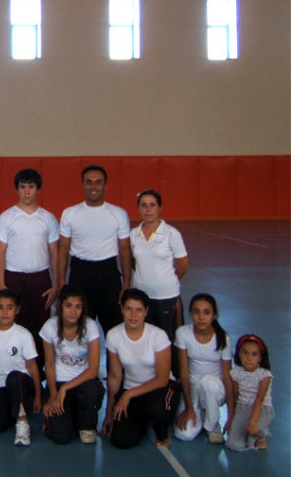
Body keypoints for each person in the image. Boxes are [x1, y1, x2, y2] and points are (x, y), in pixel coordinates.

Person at [101, 288, 180, 448]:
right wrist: (109, 413)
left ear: (146, 312)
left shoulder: (158, 336)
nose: (133, 315)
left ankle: (161, 430)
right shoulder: (113, 335)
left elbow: (162, 379)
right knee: (120, 440)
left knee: (159, 410)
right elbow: (115, 377)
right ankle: (141, 420)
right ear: (122, 309)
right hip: (132, 390)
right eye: (129, 309)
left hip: (161, 388)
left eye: (138, 310)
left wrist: (128, 395)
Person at [0, 168, 59, 364]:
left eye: (31, 187)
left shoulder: (48, 218)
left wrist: (56, 283)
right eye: (22, 187)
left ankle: (38, 372)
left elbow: (54, 252)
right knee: (15, 325)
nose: (27, 191)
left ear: (38, 189)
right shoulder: (6, 217)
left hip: (40, 278)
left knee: (41, 327)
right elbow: (0, 252)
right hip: (14, 278)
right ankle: (15, 368)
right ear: (17, 189)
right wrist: (1, 284)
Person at [58, 165, 131, 335]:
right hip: (80, 274)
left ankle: (114, 354)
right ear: (83, 185)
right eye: (89, 182)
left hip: (109, 275)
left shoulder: (119, 214)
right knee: (79, 328)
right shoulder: (70, 213)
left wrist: (127, 283)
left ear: (105, 185)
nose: (93, 186)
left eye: (98, 182)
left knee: (114, 328)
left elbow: (125, 249)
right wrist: (61, 281)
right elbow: (63, 249)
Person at [131, 189, 189, 376]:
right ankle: (148, 377)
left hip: (167, 297)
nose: (148, 209)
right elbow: (133, 263)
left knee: (170, 339)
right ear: (139, 208)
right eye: (143, 205)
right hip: (142, 299)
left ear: (159, 208)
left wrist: (167, 280)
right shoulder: (133, 234)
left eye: (152, 205)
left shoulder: (171, 233)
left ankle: (174, 379)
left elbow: (183, 265)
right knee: (145, 339)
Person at [40, 285, 104, 445]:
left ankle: (87, 425)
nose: (73, 311)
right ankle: (63, 417)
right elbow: (49, 363)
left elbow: (93, 370)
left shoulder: (90, 326)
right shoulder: (50, 327)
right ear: (60, 306)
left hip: (84, 383)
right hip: (59, 382)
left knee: (92, 391)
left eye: (78, 307)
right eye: (68, 305)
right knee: (60, 437)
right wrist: (53, 394)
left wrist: (65, 389)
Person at [0, 289, 42, 446]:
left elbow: (32, 365)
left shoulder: (23, 334)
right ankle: (12, 410)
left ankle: (22, 422)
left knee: (14, 378)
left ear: (17, 310)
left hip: (21, 383)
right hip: (0, 386)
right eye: (0, 307)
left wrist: (38, 395)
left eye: (10, 307)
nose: (5, 312)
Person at [174, 294, 233, 444]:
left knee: (207, 383)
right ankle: (202, 414)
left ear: (214, 315)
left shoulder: (223, 338)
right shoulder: (182, 333)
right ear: (191, 313)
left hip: (215, 390)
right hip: (193, 389)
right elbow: (184, 373)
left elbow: (228, 377)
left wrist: (231, 417)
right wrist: (189, 408)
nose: (201, 317)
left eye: (206, 312)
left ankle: (212, 424)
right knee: (184, 434)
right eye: (196, 312)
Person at [226, 334, 274, 451]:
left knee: (252, 440)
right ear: (239, 354)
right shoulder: (236, 373)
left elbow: (259, 400)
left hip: (261, 408)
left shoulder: (265, 375)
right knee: (233, 445)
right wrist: (231, 420)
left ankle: (261, 437)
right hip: (243, 407)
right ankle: (246, 432)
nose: (249, 358)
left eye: (254, 354)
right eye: (245, 353)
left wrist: (252, 422)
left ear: (260, 358)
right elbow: (236, 396)